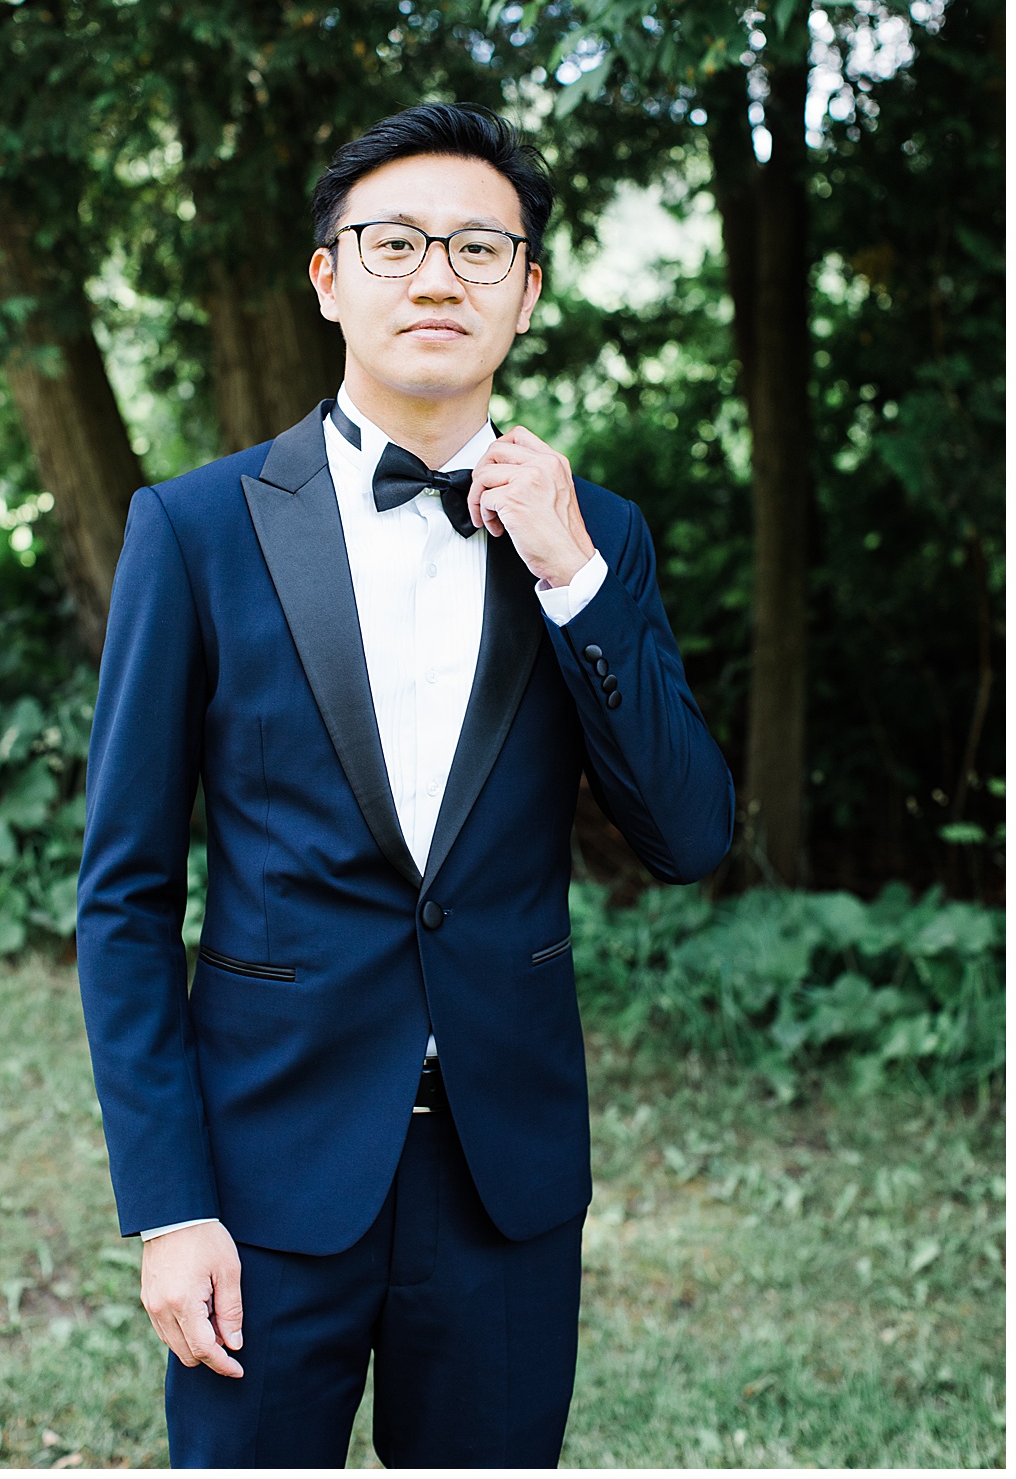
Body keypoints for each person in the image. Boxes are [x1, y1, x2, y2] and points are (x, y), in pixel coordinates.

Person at [76, 102, 734, 1469]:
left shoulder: (595, 533)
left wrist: (573, 579)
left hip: (505, 1182)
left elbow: (689, 832)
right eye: (394, 243)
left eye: (480, 249)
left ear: (527, 291)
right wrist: (170, 1203)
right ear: (329, 278)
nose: (438, 276)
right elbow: (126, 899)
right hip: (263, 1176)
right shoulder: (193, 530)